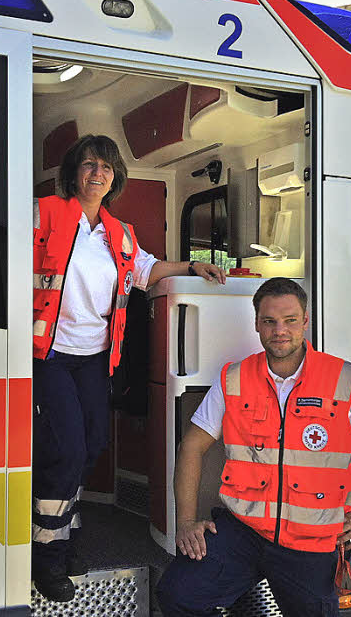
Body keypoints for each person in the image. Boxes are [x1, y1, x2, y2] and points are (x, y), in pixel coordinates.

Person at [32, 134, 226, 602]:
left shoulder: (119, 234)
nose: (97, 173)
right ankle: (48, 554)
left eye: (106, 167)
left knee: (92, 444)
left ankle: (60, 525)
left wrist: (193, 264)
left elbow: (146, 270)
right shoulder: (45, 212)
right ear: (73, 172)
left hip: (94, 359)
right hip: (49, 355)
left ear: (115, 176)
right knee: (67, 449)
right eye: (88, 164)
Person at [157, 277, 351, 617]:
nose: (280, 330)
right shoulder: (234, 377)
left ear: (305, 321)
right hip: (243, 530)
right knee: (178, 594)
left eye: (290, 320)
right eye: (270, 321)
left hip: (310, 542)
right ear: (257, 324)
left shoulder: (344, 379)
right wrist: (185, 521)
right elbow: (192, 446)